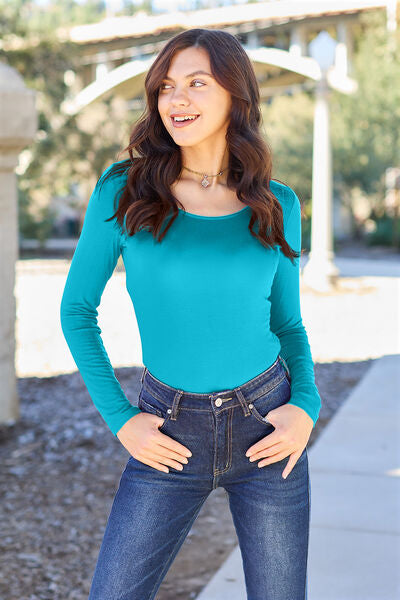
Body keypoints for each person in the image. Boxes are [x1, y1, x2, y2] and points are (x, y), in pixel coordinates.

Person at [60, 27, 321, 600]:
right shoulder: (124, 190)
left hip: (266, 425)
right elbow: (76, 310)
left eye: (197, 83)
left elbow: (288, 325)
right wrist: (121, 419)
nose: (176, 99)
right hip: (168, 430)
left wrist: (306, 406)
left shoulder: (277, 203)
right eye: (166, 87)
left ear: (235, 95)